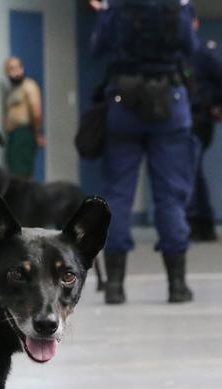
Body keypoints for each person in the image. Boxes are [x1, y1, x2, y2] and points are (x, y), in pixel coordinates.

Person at [90, 0, 197, 304]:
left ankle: (115, 286)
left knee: (118, 195)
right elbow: (190, 46)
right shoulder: (177, 5)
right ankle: (177, 285)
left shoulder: (116, 5)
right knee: (171, 195)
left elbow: (97, 48)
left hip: (123, 102)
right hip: (170, 101)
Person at [187, 18, 222, 242]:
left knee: (188, 169)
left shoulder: (204, 52)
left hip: (198, 117)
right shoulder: (174, 53)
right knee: (191, 170)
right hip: (179, 118)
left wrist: (217, 105)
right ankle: (201, 222)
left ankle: (198, 221)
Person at [2, 56, 45, 178]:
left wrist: (37, 134)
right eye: (11, 68)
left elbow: (36, 113)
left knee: (22, 176)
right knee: (14, 174)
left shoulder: (29, 86)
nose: (16, 71)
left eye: (18, 67)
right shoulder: (12, 90)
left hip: (24, 135)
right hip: (13, 137)